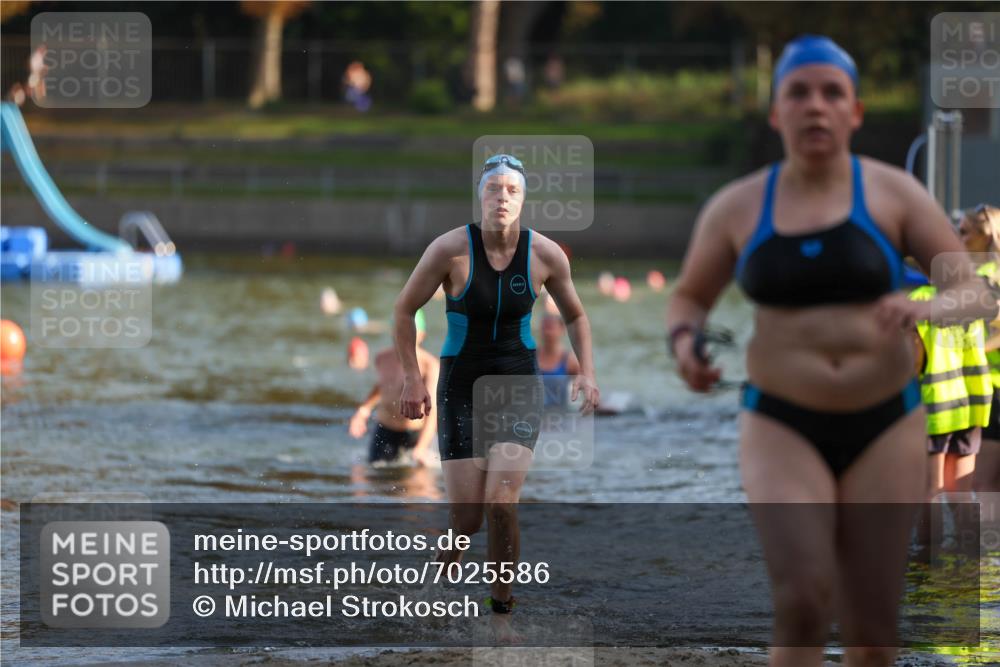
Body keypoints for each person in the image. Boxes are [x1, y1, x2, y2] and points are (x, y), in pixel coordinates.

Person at [665, 35, 997, 667]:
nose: (815, 105)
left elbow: (974, 293)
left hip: (885, 423)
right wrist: (684, 343)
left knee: (872, 630)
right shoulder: (738, 206)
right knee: (803, 601)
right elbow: (688, 297)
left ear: (855, 111)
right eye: (798, 92)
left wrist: (925, 307)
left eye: (831, 93)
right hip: (782, 423)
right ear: (776, 112)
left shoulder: (895, 195)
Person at [394, 153, 599, 638]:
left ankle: (501, 613)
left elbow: (576, 315)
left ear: (523, 200)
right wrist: (412, 377)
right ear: (480, 196)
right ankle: (436, 584)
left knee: (502, 503)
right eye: (493, 189)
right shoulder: (448, 250)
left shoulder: (546, 254)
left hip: (517, 385)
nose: (501, 197)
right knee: (467, 518)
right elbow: (403, 311)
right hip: (460, 387)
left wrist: (587, 371)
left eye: (511, 190)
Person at [349, 310, 438, 467]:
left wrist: (422, 446)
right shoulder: (382, 359)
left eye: (410, 332)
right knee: (370, 475)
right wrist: (364, 409)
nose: (404, 337)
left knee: (418, 481)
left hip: (414, 433)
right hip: (385, 429)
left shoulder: (429, 366)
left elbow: (433, 412)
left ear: (421, 335)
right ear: (393, 332)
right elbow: (382, 386)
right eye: (400, 331)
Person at [959, 203, 1000, 492]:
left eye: (964, 232)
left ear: (985, 236)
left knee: (983, 482)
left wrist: (975, 351)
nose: (958, 239)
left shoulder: (986, 278)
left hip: (992, 390)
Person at [536, 313, 580, 408]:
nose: (547, 332)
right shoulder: (530, 357)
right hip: (534, 413)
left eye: (550, 327)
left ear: (562, 329)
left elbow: (587, 389)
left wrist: (597, 405)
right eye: (544, 327)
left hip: (559, 413)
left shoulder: (570, 361)